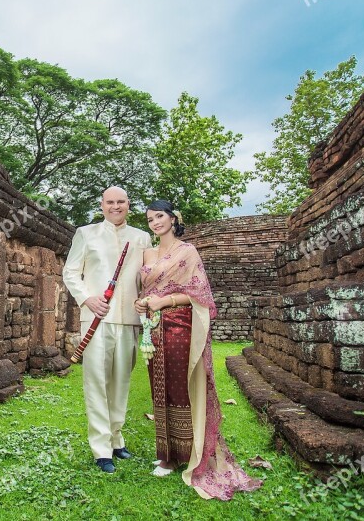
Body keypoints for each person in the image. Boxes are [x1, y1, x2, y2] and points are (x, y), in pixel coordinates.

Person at [134, 200, 261, 499]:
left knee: (180, 387)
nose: (155, 222)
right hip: (152, 328)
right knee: (159, 387)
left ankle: (186, 453)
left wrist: (164, 302)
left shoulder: (187, 251)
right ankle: (168, 452)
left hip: (180, 326)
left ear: (173, 218)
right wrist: (142, 303)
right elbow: (145, 291)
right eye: (150, 219)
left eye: (160, 216)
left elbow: (199, 294)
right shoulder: (148, 253)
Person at [63, 186, 152, 473]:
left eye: (121, 202)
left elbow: (147, 279)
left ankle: (117, 438)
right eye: (110, 202)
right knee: (97, 382)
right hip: (97, 318)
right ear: (101, 205)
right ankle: (101, 449)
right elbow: (71, 272)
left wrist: (147, 302)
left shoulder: (142, 237)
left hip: (129, 318)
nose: (116, 206)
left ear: (129, 204)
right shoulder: (85, 233)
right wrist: (87, 299)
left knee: (121, 383)